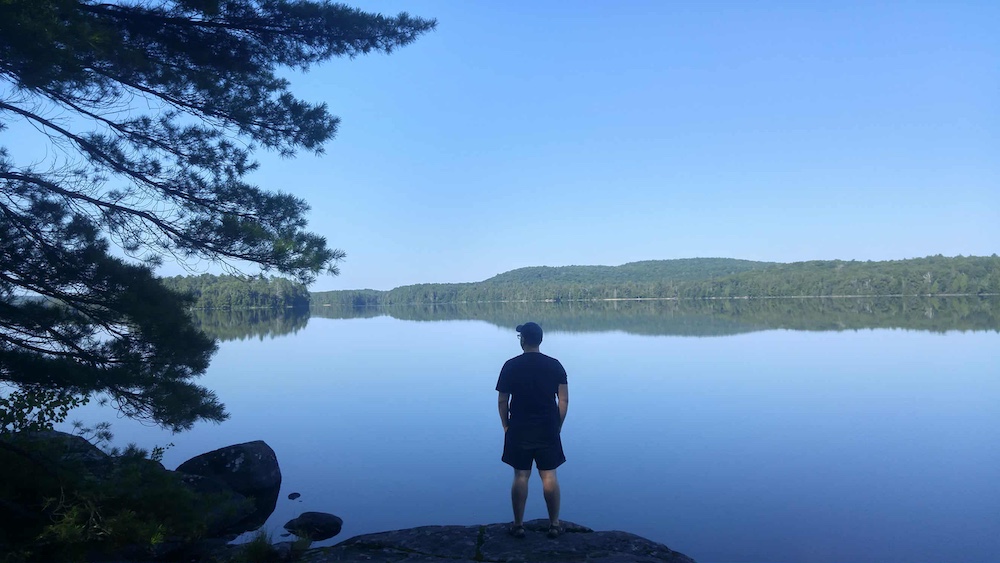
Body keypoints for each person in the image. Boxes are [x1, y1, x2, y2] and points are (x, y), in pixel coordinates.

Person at [496, 321, 569, 539]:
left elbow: (502, 400)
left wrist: (505, 425)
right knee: (549, 476)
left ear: (523, 340)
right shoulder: (555, 365)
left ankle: (518, 525)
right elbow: (563, 400)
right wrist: (558, 425)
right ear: (540, 340)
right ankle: (554, 525)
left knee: (520, 475)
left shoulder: (510, 365)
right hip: (547, 427)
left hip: (519, 427)